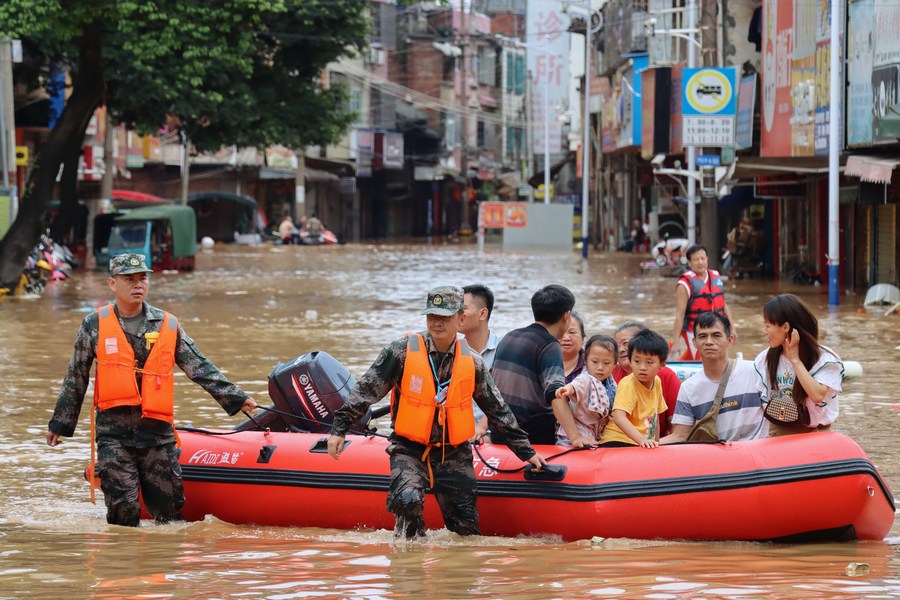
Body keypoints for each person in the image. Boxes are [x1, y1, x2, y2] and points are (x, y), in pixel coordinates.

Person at [46, 253, 258, 527]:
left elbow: (199, 366)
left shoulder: (167, 324)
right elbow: (76, 374)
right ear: (112, 283)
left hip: (157, 433)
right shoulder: (93, 324)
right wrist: (60, 424)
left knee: (169, 514)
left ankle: (160, 565)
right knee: (123, 510)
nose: (138, 285)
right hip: (114, 434)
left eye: (142, 278)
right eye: (129, 279)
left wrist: (236, 397)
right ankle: (123, 566)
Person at [326, 286, 546, 539]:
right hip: (409, 448)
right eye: (432, 316)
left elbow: (497, 410)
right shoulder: (400, 352)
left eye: (444, 317)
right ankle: (411, 562)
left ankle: (455, 574)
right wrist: (339, 429)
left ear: (460, 319)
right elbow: (366, 390)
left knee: (466, 530)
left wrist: (526, 452)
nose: (437, 323)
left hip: (453, 451)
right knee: (407, 500)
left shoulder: (473, 362)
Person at [661, 311, 768, 443]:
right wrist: (640, 445)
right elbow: (680, 436)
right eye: (702, 336)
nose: (709, 342)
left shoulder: (755, 372)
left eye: (716, 335)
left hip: (758, 454)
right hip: (720, 458)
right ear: (694, 343)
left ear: (730, 340)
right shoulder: (688, 389)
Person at [490, 284, 577, 445]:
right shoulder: (549, 344)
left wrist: (482, 428)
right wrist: (576, 437)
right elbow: (555, 393)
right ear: (566, 315)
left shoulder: (509, 336)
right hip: (532, 438)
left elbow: (492, 387)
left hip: (499, 432)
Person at [753, 293, 843, 436]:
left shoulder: (825, 359)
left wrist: (795, 360)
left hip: (817, 432)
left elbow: (817, 395)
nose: (764, 332)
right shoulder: (764, 359)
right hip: (780, 430)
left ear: (785, 327)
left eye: (767, 326)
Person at [599, 329, 669, 448]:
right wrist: (642, 440)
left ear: (662, 365)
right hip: (616, 440)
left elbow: (654, 418)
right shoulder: (627, 384)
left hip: (639, 442)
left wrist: (655, 443)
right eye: (637, 361)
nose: (642, 367)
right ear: (630, 362)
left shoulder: (657, 381)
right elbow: (619, 418)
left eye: (649, 362)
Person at [612, 321, 680, 437]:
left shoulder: (665, 376)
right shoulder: (611, 374)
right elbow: (617, 417)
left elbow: (673, 423)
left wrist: (656, 443)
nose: (621, 349)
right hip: (623, 440)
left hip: (649, 441)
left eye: (625, 343)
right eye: (617, 346)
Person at [672, 244, 736, 360]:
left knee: (719, 356)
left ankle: (683, 361)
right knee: (704, 358)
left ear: (707, 259)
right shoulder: (684, 284)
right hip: (694, 329)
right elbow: (679, 315)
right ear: (690, 262)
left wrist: (732, 327)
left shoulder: (715, 276)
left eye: (703, 258)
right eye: (696, 259)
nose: (700, 262)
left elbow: (723, 305)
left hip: (717, 326)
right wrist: (676, 342)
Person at [554, 334, 618, 446]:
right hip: (573, 434)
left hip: (593, 433)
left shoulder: (612, 384)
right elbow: (576, 385)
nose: (600, 367)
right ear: (585, 359)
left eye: (606, 363)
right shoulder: (585, 378)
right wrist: (567, 389)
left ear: (615, 364)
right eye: (595, 362)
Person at [459, 283, 501, 440]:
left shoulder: (505, 350)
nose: (456, 314)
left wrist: (482, 427)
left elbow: (507, 396)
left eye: (463, 309)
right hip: (460, 432)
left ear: (483, 314)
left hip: (494, 434)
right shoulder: (451, 353)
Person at [560, 311, 586, 383]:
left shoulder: (593, 364)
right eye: (561, 332)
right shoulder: (539, 365)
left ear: (582, 338)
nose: (566, 338)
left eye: (572, 332)